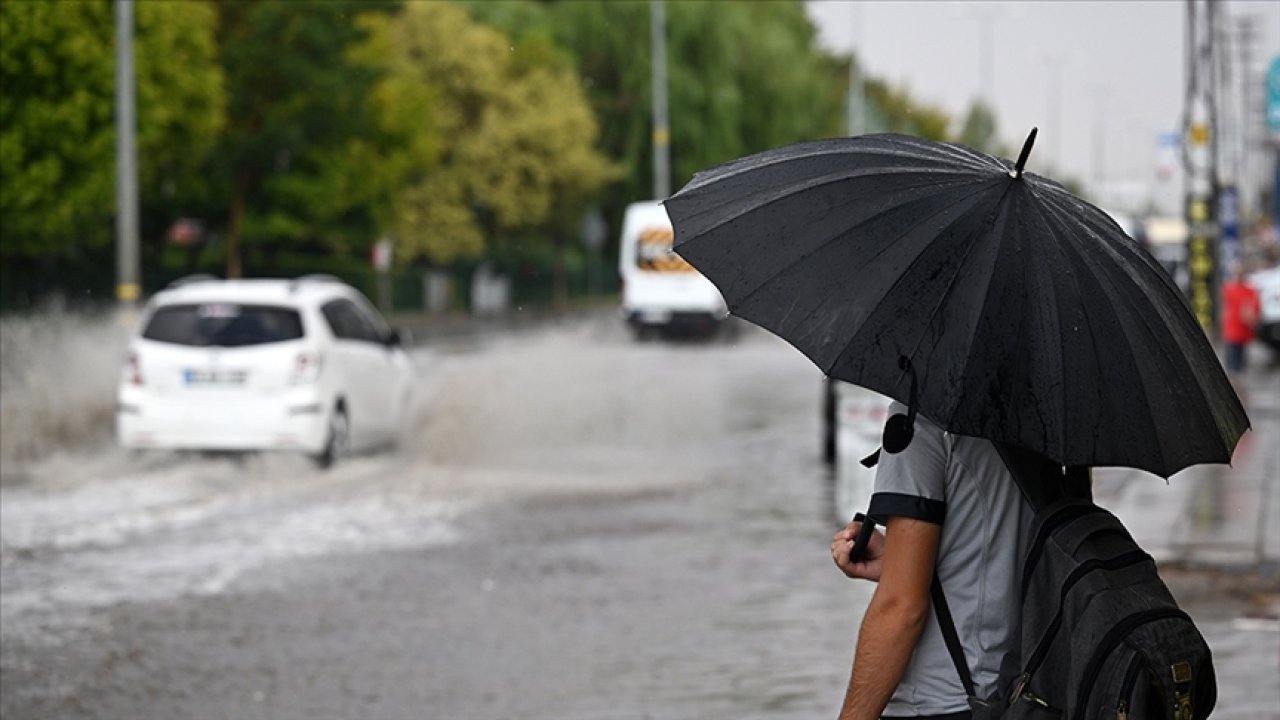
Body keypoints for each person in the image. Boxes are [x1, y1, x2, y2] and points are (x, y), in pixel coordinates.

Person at [829, 402, 1035, 720]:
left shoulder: (918, 420)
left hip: (937, 700)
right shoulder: (1037, 417)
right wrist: (899, 560)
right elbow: (1004, 552)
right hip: (1019, 693)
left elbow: (902, 608)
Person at [1220, 263, 1260, 374]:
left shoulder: (1249, 290)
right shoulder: (1229, 289)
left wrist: (1252, 315)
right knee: (1233, 355)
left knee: (1240, 355)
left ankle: (1237, 376)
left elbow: (1256, 308)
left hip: (1244, 328)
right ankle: (1234, 376)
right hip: (1232, 327)